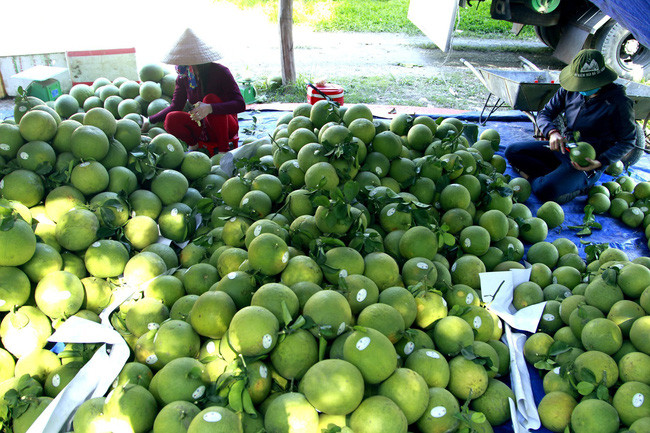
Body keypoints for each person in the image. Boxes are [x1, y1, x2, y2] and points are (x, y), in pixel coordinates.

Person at [504, 49, 637, 204]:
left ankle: (574, 185)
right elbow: (545, 113)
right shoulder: (570, 90)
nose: (581, 89)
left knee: (545, 191)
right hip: (565, 148)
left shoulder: (619, 102)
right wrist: (552, 132)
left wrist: (601, 162)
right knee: (513, 151)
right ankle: (557, 178)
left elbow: (628, 141)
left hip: (588, 162)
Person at [144, 28, 246, 155]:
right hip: (203, 129)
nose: (184, 67)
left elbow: (240, 104)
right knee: (171, 119)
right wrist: (150, 120)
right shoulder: (183, 77)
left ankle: (223, 152)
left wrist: (210, 108)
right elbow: (176, 105)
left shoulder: (220, 72)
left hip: (226, 127)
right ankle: (194, 145)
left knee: (209, 98)